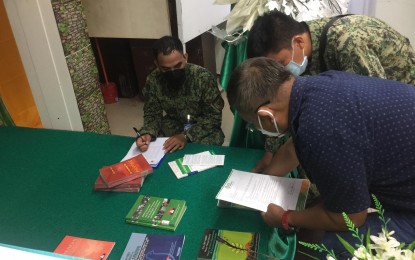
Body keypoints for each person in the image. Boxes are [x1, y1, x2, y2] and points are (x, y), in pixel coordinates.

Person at [226, 57, 415, 257]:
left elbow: (350, 217)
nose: (256, 129)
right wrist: (265, 177)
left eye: (253, 124)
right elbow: (293, 148)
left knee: (337, 245)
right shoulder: (316, 85)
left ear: (266, 115)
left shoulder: (320, 132)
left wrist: (285, 218)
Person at [246, 10, 415, 192]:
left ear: (298, 42)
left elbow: (370, 118)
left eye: (281, 63)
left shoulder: (348, 43)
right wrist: (272, 155)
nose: (281, 74)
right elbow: (295, 115)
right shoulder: (304, 51)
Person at [136, 36, 225, 153]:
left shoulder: (203, 78)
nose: (173, 72)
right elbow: (152, 113)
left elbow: (213, 118)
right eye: (166, 69)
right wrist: (147, 133)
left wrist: (185, 136)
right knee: (155, 145)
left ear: (185, 57)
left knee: (207, 147)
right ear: (157, 64)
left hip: (201, 125)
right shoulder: (153, 80)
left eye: (178, 66)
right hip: (174, 123)